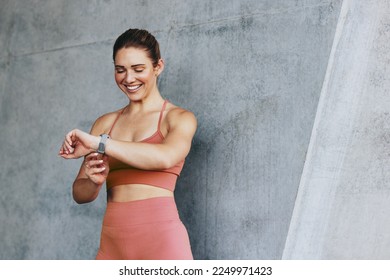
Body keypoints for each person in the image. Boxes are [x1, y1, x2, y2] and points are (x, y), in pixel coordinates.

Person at [59, 28, 197, 260]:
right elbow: (80, 193)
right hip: (112, 245)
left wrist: (100, 143)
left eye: (138, 69)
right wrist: (93, 183)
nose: (128, 78)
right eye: (120, 70)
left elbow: (164, 157)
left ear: (158, 67)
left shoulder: (178, 118)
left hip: (162, 242)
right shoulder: (105, 123)